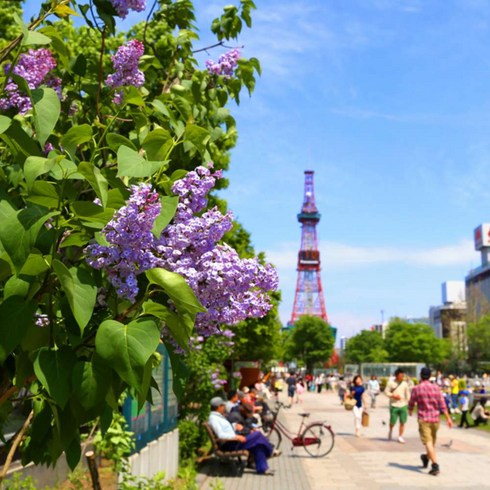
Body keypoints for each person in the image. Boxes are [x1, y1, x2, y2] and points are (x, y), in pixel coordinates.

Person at [208, 397, 279, 475]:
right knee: (257, 435)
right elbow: (220, 435)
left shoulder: (218, 417)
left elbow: (225, 429)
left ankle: (262, 469)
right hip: (229, 444)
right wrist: (236, 437)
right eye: (223, 405)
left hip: (233, 441)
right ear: (219, 407)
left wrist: (234, 426)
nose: (224, 407)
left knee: (258, 445)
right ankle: (270, 451)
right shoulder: (213, 419)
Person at [408, 367, 453, 476]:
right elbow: (442, 404)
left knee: (429, 443)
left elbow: (412, 402)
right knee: (431, 443)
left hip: (424, 419)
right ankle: (426, 457)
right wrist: (448, 418)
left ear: (421, 375)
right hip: (435, 419)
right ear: (430, 376)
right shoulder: (436, 388)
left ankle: (435, 465)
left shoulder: (416, 389)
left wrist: (410, 410)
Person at [385, 367, 410, 443]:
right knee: (393, 421)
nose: (402, 377)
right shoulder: (391, 383)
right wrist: (393, 396)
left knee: (403, 421)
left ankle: (400, 436)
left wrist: (408, 401)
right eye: (401, 375)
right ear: (396, 375)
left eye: (403, 375)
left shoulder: (405, 384)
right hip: (394, 405)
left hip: (403, 405)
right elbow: (386, 392)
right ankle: (390, 430)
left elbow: (408, 394)